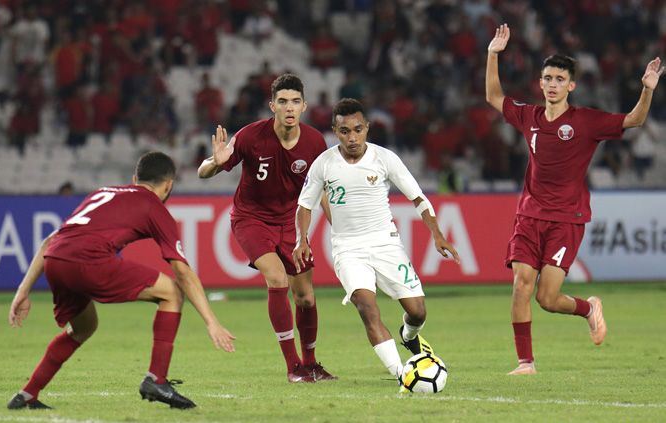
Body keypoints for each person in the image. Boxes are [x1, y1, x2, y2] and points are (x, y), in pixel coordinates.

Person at [485, 24, 664, 375]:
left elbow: (635, 120)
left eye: (559, 79)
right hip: (529, 215)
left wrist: (647, 90)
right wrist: (493, 54)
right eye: (547, 78)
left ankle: (587, 308)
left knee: (547, 299)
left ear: (571, 85)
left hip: (567, 218)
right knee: (522, 283)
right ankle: (526, 363)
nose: (552, 84)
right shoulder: (529, 117)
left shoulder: (586, 122)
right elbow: (493, 96)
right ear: (540, 83)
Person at [8, 152, 235, 410]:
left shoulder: (101, 192)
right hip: (88, 260)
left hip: (55, 261)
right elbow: (183, 272)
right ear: (169, 185)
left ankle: (27, 394)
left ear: (134, 178)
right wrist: (211, 322)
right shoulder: (153, 205)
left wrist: (22, 291)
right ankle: (156, 379)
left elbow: (49, 241)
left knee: (84, 326)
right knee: (172, 292)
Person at [293, 98, 460, 382]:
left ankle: (408, 336)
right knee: (366, 306)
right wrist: (302, 239)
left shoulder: (385, 158)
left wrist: (438, 234)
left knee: (418, 312)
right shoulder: (323, 163)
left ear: (367, 128)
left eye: (358, 129)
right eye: (344, 131)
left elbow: (418, 198)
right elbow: (304, 206)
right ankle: (402, 374)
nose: (352, 137)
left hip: (386, 244)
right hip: (348, 249)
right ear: (335, 131)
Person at [198, 74, 335, 383]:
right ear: (272, 105)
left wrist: (337, 224)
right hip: (251, 219)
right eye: (283, 102)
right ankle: (293, 366)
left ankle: (311, 363)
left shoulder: (315, 142)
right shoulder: (250, 136)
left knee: (306, 297)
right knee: (276, 278)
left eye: (295, 102)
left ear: (304, 106)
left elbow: (322, 189)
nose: (289, 108)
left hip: (290, 223)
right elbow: (202, 172)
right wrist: (216, 163)